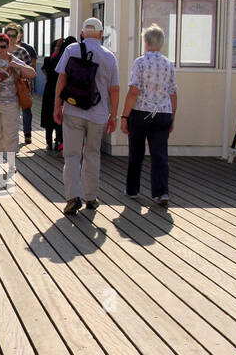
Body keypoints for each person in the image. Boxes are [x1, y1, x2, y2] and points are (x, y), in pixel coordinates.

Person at [54, 19, 119, 216]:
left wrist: (57, 105)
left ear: (83, 33)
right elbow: (114, 90)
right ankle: (91, 197)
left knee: (72, 155)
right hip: (98, 114)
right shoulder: (109, 57)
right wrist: (113, 115)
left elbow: (61, 79)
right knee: (92, 154)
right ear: (101, 34)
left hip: (73, 110)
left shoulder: (71, 50)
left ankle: (73, 197)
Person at [119, 23, 177, 209]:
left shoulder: (140, 62)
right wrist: (172, 116)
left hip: (141, 112)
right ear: (162, 43)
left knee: (136, 152)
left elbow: (133, 91)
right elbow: (173, 93)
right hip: (163, 113)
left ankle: (133, 189)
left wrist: (124, 116)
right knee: (160, 155)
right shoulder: (169, 64)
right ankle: (162, 192)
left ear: (145, 41)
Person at [0, 33, 36, 184]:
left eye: (3, 47)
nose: (0, 50)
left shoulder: (13, 59)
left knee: (10, 133)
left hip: (10, 103)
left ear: (8, 46)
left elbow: (32, 73)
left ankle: (11, 165)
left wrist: (19, 66)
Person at [3, 24, 36, 146]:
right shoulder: (2, 50)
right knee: (9, 113)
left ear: (18, 37)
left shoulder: (22, 52)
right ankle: (11, 137)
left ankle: (27, 134)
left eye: (13, 35)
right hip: (6, 88)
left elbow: (31, 69)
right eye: (8, 35)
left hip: (21, 86)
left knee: (26, 109)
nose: (11, 38)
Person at [41, 35, 75, 152]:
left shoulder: (49, 60)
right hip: (64, 91)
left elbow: (46, 70)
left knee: (48, 117)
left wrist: (57, 47)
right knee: (60, 118)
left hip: (49, 89)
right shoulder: (69, 60)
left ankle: (49, 143)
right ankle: (59, 143)